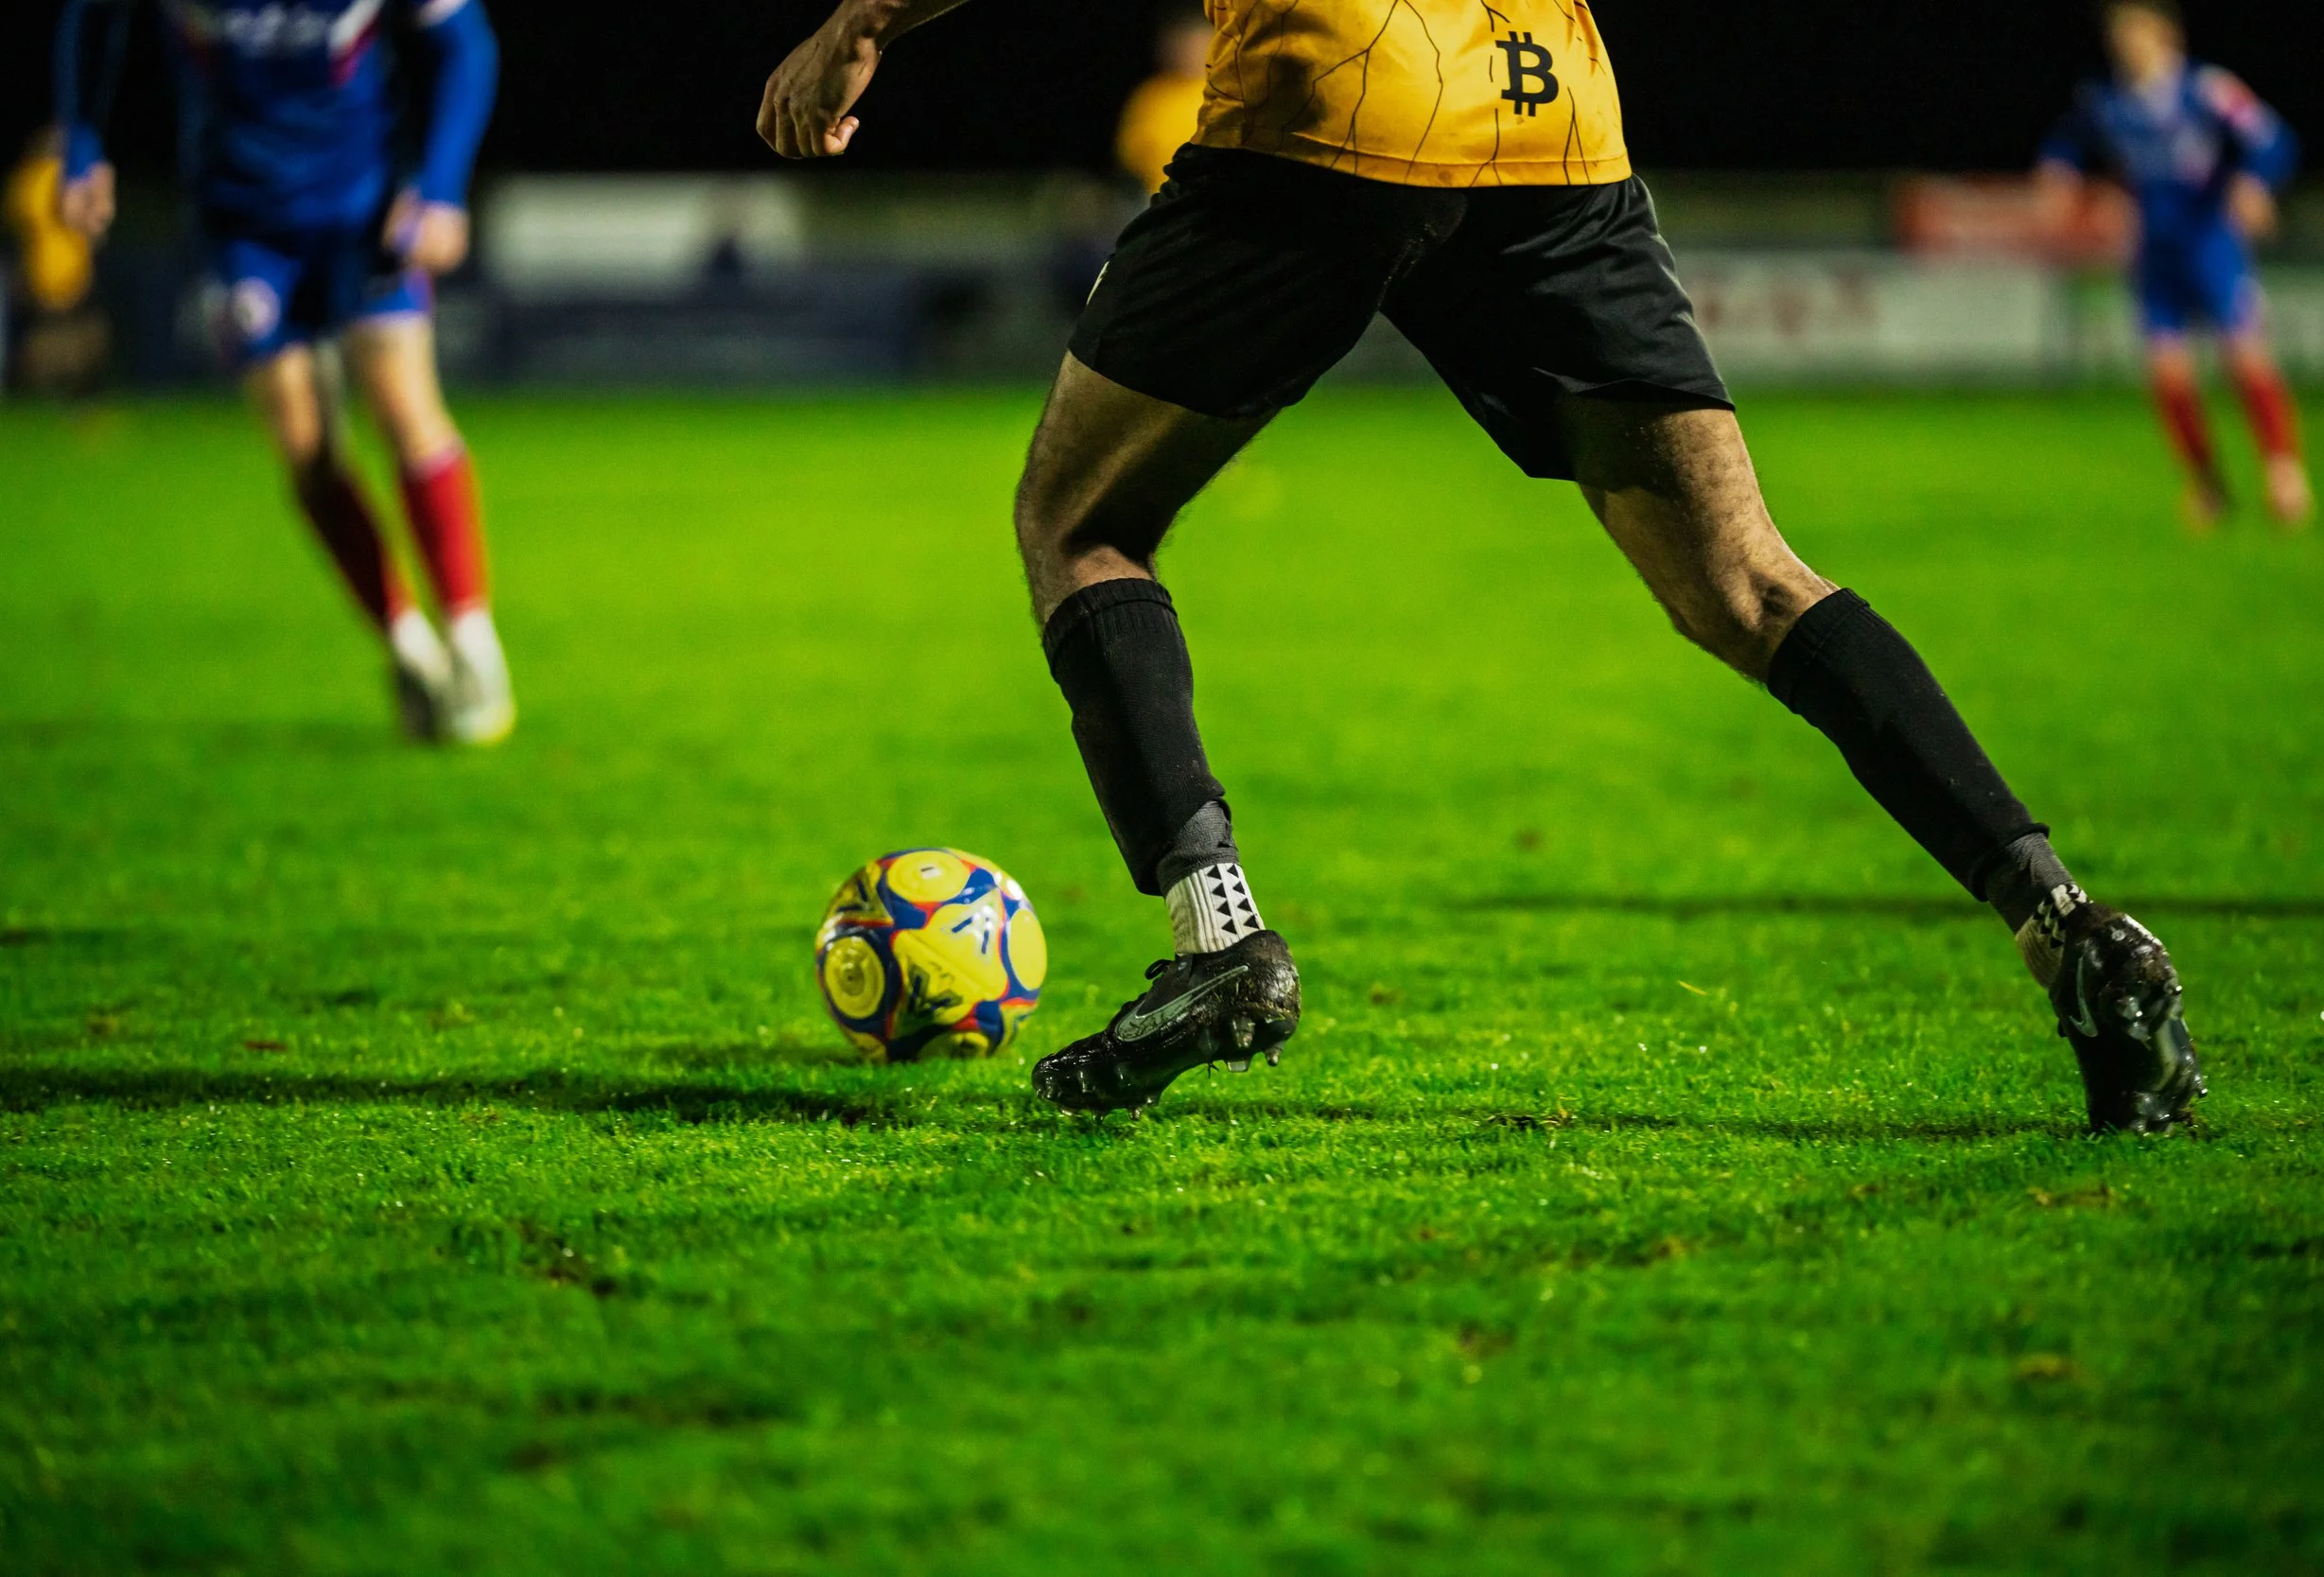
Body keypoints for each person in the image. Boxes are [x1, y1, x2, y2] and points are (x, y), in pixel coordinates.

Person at [757, 0, 2204, 1134]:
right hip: (1550, 111)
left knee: (1078, 520)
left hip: (1334, 97)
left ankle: (1221, 933)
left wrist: (866, 19)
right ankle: (2067, 923)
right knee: (1752, 582)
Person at [54, 0, 516, 745]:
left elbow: (464, 42)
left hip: (362, 211)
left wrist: (440, 186)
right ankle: (407, 644)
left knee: (403, 405)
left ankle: (471, 636)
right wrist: (80, 143)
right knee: (304, 446)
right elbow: (93, 15)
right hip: (242, 223)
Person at [2038, 0, 2310, 530]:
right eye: (2120, 37)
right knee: (2168, 370)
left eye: (2137, 35)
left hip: (2212, 243)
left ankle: (2283, 472)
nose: (2127, 46)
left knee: (2245, 356)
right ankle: (2208, 486)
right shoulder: (2107, 100)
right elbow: (2068, 142)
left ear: (2165, 37)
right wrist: (2057, 173)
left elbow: (2273, 140)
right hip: (2154, 252)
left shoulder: (2206, 90)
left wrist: (2254, 183)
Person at [5, 127, 112, 395]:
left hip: (52, 273)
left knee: (77, 337)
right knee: (55, 341)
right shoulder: (55, 177)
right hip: (54, 273)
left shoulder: (27, 179)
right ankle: (47, 394)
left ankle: (56, 396)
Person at [1113, 6, 1216, 199]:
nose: (1192, 52)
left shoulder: (1231, 93)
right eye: (1186, 44)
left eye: (1200, 43)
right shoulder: (1152, 96)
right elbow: (1130, 155)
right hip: (1159, 198)